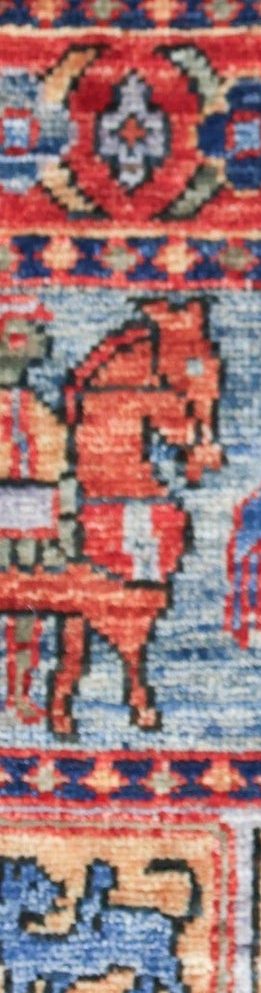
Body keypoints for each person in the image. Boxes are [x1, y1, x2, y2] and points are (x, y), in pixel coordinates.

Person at [0, 299, 69, 723]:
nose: (42, 339)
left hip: (31, 524)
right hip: (25, 522)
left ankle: (19, 694)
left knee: (27, 613)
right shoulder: (32, 411)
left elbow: (55, 466)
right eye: (32, 330)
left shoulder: (34, 408)